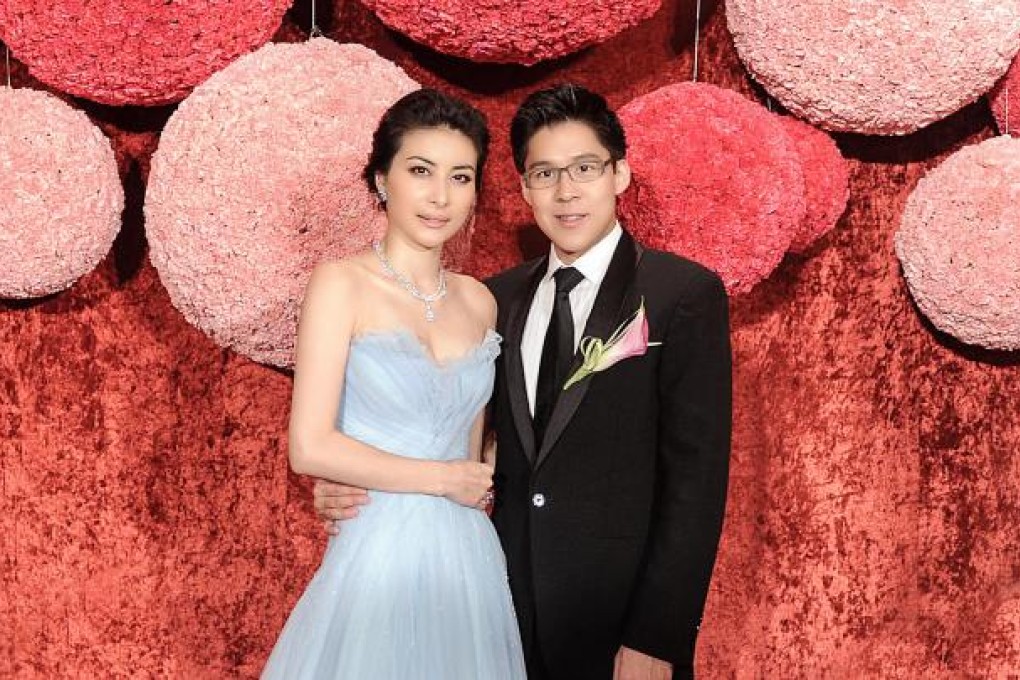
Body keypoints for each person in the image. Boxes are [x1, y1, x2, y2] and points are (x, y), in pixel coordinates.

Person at [315, 83, 731, 680]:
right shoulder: (496, 299)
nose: (566, 191)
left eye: (584, 168)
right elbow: (472, 438)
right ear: (524, 188)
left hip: (616, 630)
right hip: (495, 613)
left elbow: (696, 483)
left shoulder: (679, 294)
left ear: (620, 174)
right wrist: (354, 483)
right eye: (543, 173)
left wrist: (656, 637)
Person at [262, 88, 526, 679]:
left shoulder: (480, 301)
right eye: (420, 171)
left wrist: (475, 471)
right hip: (377, 553)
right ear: (382, 179)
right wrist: (442, 479)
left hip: (466, 559)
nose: (440, 197)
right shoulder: (340, 284)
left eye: (461, 177)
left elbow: (472, 443)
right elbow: (310, 446)